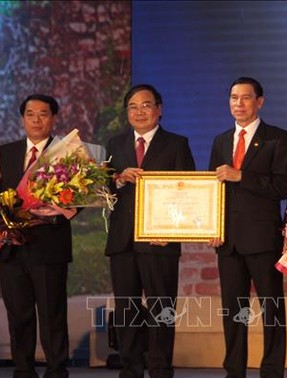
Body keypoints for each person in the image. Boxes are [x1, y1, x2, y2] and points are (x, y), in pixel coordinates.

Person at [104, 84, 195, 378]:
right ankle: (130, 368)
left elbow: (188, 192)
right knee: (126, 308)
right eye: (133, 106)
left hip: (160, 240)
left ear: (159, 109)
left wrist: (172, 230)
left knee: (161, 308)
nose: (139, 112)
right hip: (123, 240)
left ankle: (160, 368)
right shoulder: (114, 144)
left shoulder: (176, 144)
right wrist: (118, 178)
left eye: (146, 105)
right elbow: (102, 188)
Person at [208, 77, 287, 378]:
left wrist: (241, 176)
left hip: (262, 239)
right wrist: (211, 225)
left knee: (271, 309)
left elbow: (285, 185)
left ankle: (271, 370)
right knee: (233, 311)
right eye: (234, 98)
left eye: (246, 98)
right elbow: (213, 191)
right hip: (227, 241)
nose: (239, 104)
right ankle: (234, 369)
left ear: (260, 102)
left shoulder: (277, 138)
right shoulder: (220, 140)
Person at [0, 94, 73, 378]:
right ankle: (23, 369)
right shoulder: (5, 152)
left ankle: (57, 369)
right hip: (11, 249)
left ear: (53, 118)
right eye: (30, 114)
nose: (36, 119)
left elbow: (77, 199)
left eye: (43, 114)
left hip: (49, 246)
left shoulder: (66, 155)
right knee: (18, 314)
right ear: (22, 119)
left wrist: (49, 213)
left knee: (51, 314)